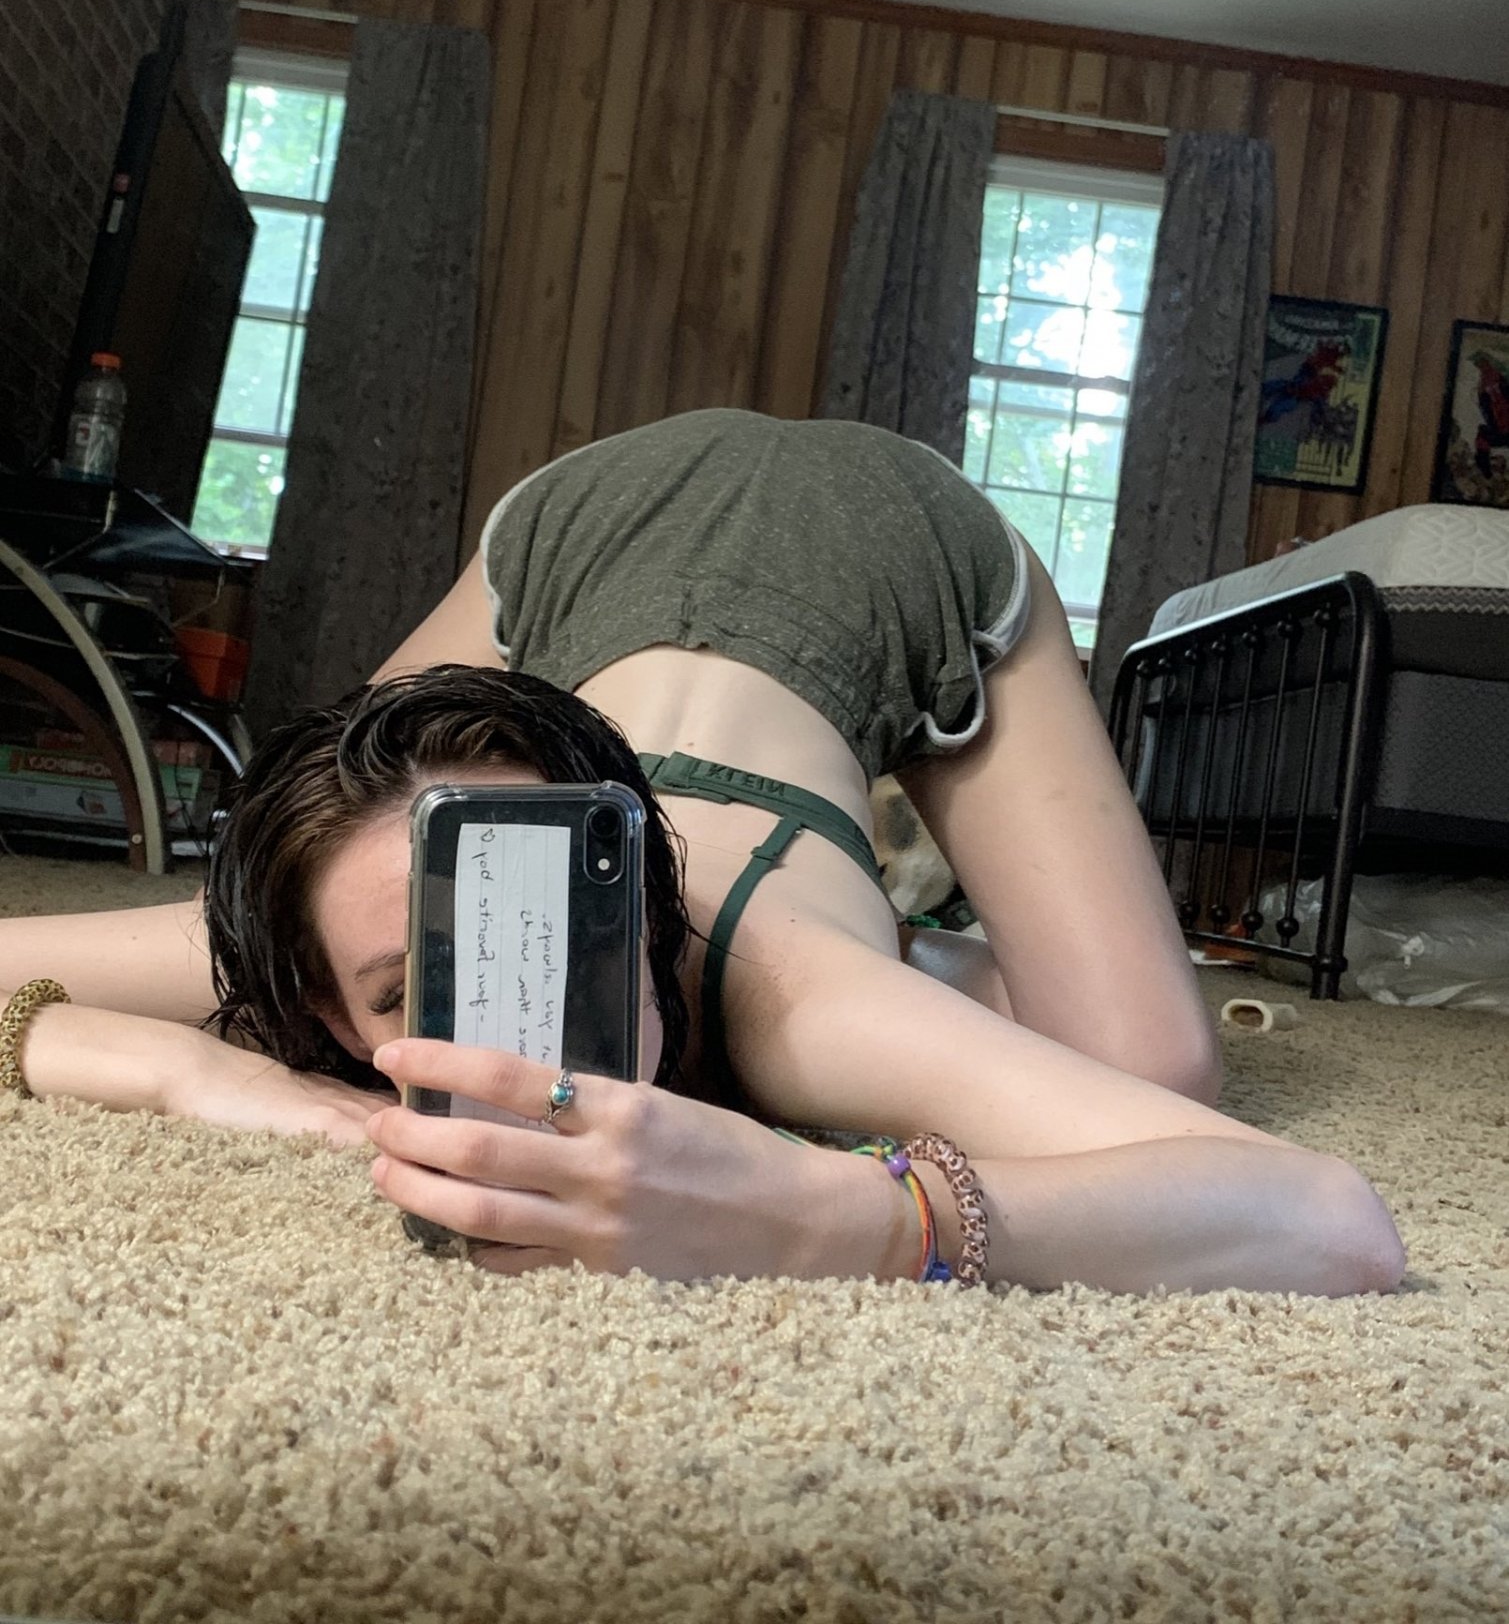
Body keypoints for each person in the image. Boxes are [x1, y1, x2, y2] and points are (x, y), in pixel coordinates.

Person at [0, 411, 1406, 1296]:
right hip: (578, 527)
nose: (521, 1009)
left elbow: (1330, 1221)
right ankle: (924, 947)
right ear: (330, 1018)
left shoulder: (789, 996)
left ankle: (910, 950)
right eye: (405, 990)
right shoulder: (338, 929)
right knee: (287, 857)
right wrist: (202, 1072)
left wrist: (839, 1214)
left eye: (564, 921)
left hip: (893, 536)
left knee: (1153, 1064)